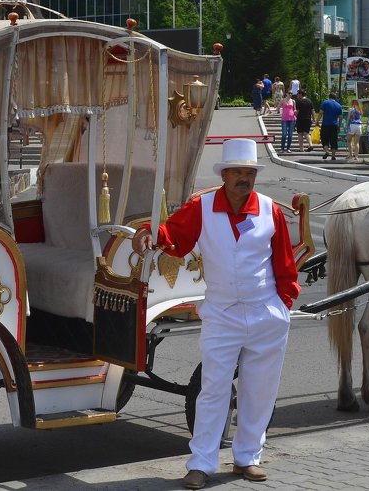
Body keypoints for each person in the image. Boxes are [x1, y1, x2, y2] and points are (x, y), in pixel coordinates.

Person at [132, 138, 299, 489]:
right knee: (213, 389)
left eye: (249, 172)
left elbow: (285, 263)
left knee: (260, 390)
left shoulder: (271, 210)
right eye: (237, 171)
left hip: (266, 311)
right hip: (222, 313)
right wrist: (148, 233)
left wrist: (283, 303)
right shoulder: (202, 208)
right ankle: (201, 464)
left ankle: (247, 458)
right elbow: (173, 237)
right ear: (224, 174)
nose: (244, 178)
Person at [318, 91, 343, 161]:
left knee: (324, 139)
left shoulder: (325, 103)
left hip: (325, 125)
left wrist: (317, 121)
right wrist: (339, 126)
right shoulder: (339, 105)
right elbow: (341, 117)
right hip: (334, 125)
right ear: (335, 98)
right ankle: (333, 156)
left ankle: (326, 151)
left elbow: (320, 113)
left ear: (329, 97)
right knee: (334, 140)